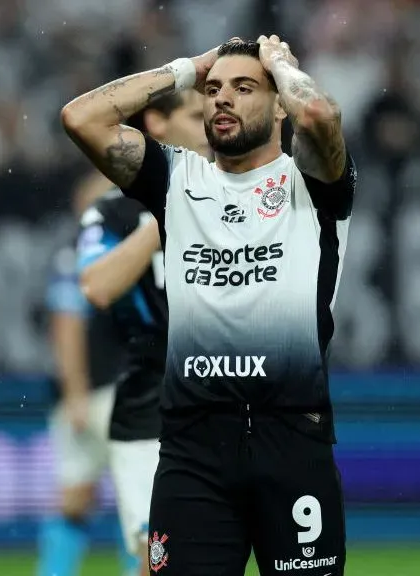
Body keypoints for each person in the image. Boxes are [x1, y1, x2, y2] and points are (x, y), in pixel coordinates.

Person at [61, 35, 356, 575]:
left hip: (291, 441)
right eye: (213, 89)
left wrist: (282, 65)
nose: (222, 98)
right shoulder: (177, 178)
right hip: (191, 451)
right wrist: (185, 69)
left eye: (244, 88)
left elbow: (318, 112)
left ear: (277, 105)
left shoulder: (309, 184)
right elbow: (81, 118)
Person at [76, 89, 208, 575]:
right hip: (149, 408)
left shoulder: (244, 198)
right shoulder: (112, 212)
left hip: (232, 400)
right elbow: (96, 286)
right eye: (197, 115)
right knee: (159, 562)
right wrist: (171, 208)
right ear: (156, 122)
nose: (211, 124)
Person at [38, 169, 128, 576]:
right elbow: (67, 321)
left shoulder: (75, 248)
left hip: (93, 391)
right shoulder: (94, 249)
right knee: (138, 501)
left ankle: (54, 572)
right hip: (105, 391)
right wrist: (77, 392)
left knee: (76, 499)